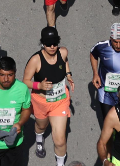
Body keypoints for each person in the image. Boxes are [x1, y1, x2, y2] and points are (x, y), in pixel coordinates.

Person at [24, 27, 76, 166]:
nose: (52, 47)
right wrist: (39, 86)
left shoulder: (63, 52)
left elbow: (65, 61)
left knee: (59, 139)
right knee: (41, 126)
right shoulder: (36, 60)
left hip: (60, 101)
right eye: (48, 44)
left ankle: (60, 164)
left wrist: (69, 75)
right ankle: (39, 137)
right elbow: (25, 81)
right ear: (43, 43)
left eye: (55, 43)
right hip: (41, 101)